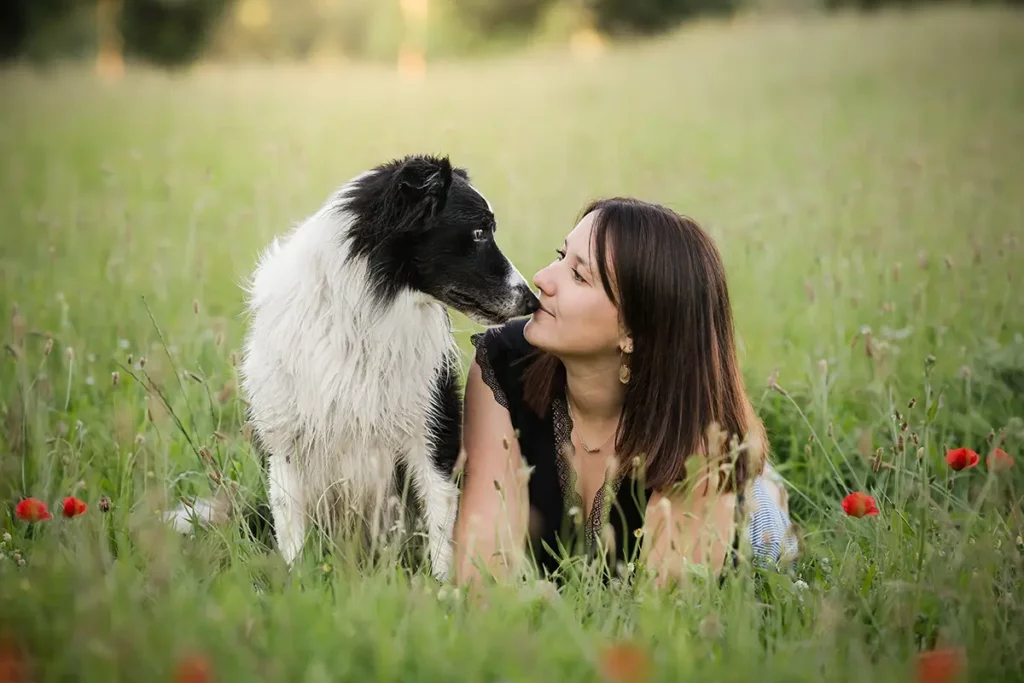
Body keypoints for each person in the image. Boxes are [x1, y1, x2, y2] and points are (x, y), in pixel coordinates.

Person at [451, 197, 797, 588]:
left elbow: (664, 621)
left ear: (633, 333)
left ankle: (766, 485)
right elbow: (480, 573)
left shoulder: (699, 441)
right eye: (560, 256)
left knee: (758, 500)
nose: (543, 278)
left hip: (748, 527)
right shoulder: (504, 362)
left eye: (578, 276)